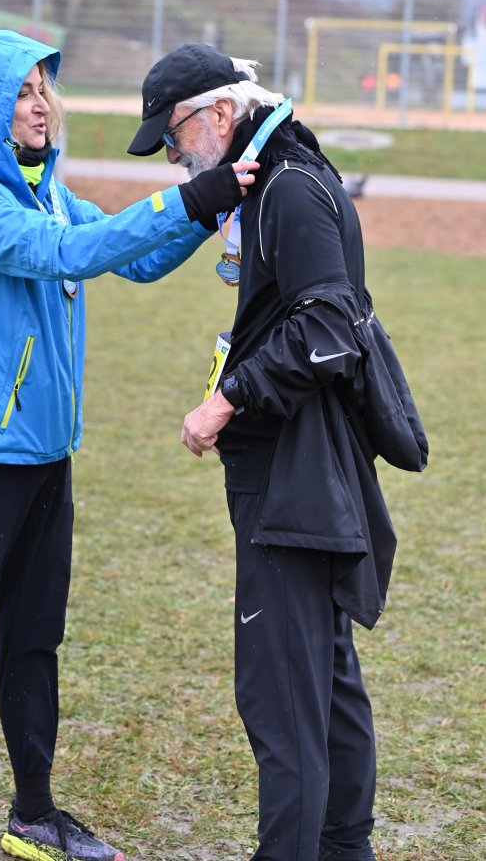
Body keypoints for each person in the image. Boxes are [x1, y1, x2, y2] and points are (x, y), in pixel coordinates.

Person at [0, 30, 258, 861]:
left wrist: (212, 206)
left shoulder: (50, 192)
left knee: (34, 642)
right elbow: (66, 254)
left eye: (43, 90)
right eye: (21, 92)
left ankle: (33, 813)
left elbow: (132, 262)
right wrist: (188, 199)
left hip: (43, 457)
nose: (39, 106)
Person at [127, 43, 428, 861]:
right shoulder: (280, 177)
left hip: (293, 470)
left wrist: (225, 399)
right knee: (322, 675)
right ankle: (344, 847)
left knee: (282, 694)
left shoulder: (290, 187)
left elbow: (328, 326)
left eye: (176, 134)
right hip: (303, 463)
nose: (174, 153)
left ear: (223, 113)